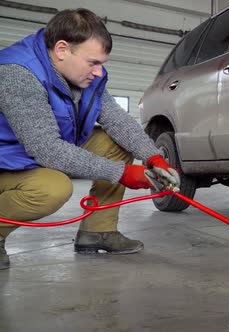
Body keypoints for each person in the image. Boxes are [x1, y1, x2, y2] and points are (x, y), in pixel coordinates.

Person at [0, 8, 180, 270]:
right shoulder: (19, 74)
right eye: (93, 62)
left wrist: (153, 156)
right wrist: (122, 173)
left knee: (114, 143)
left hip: (27, 152)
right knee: (53, 189)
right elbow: (48, 150)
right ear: (62, 49)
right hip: (7, 162)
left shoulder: (81, 76)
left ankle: (97, 231)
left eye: (102, 63)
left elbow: (117, 120)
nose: (98, 71)